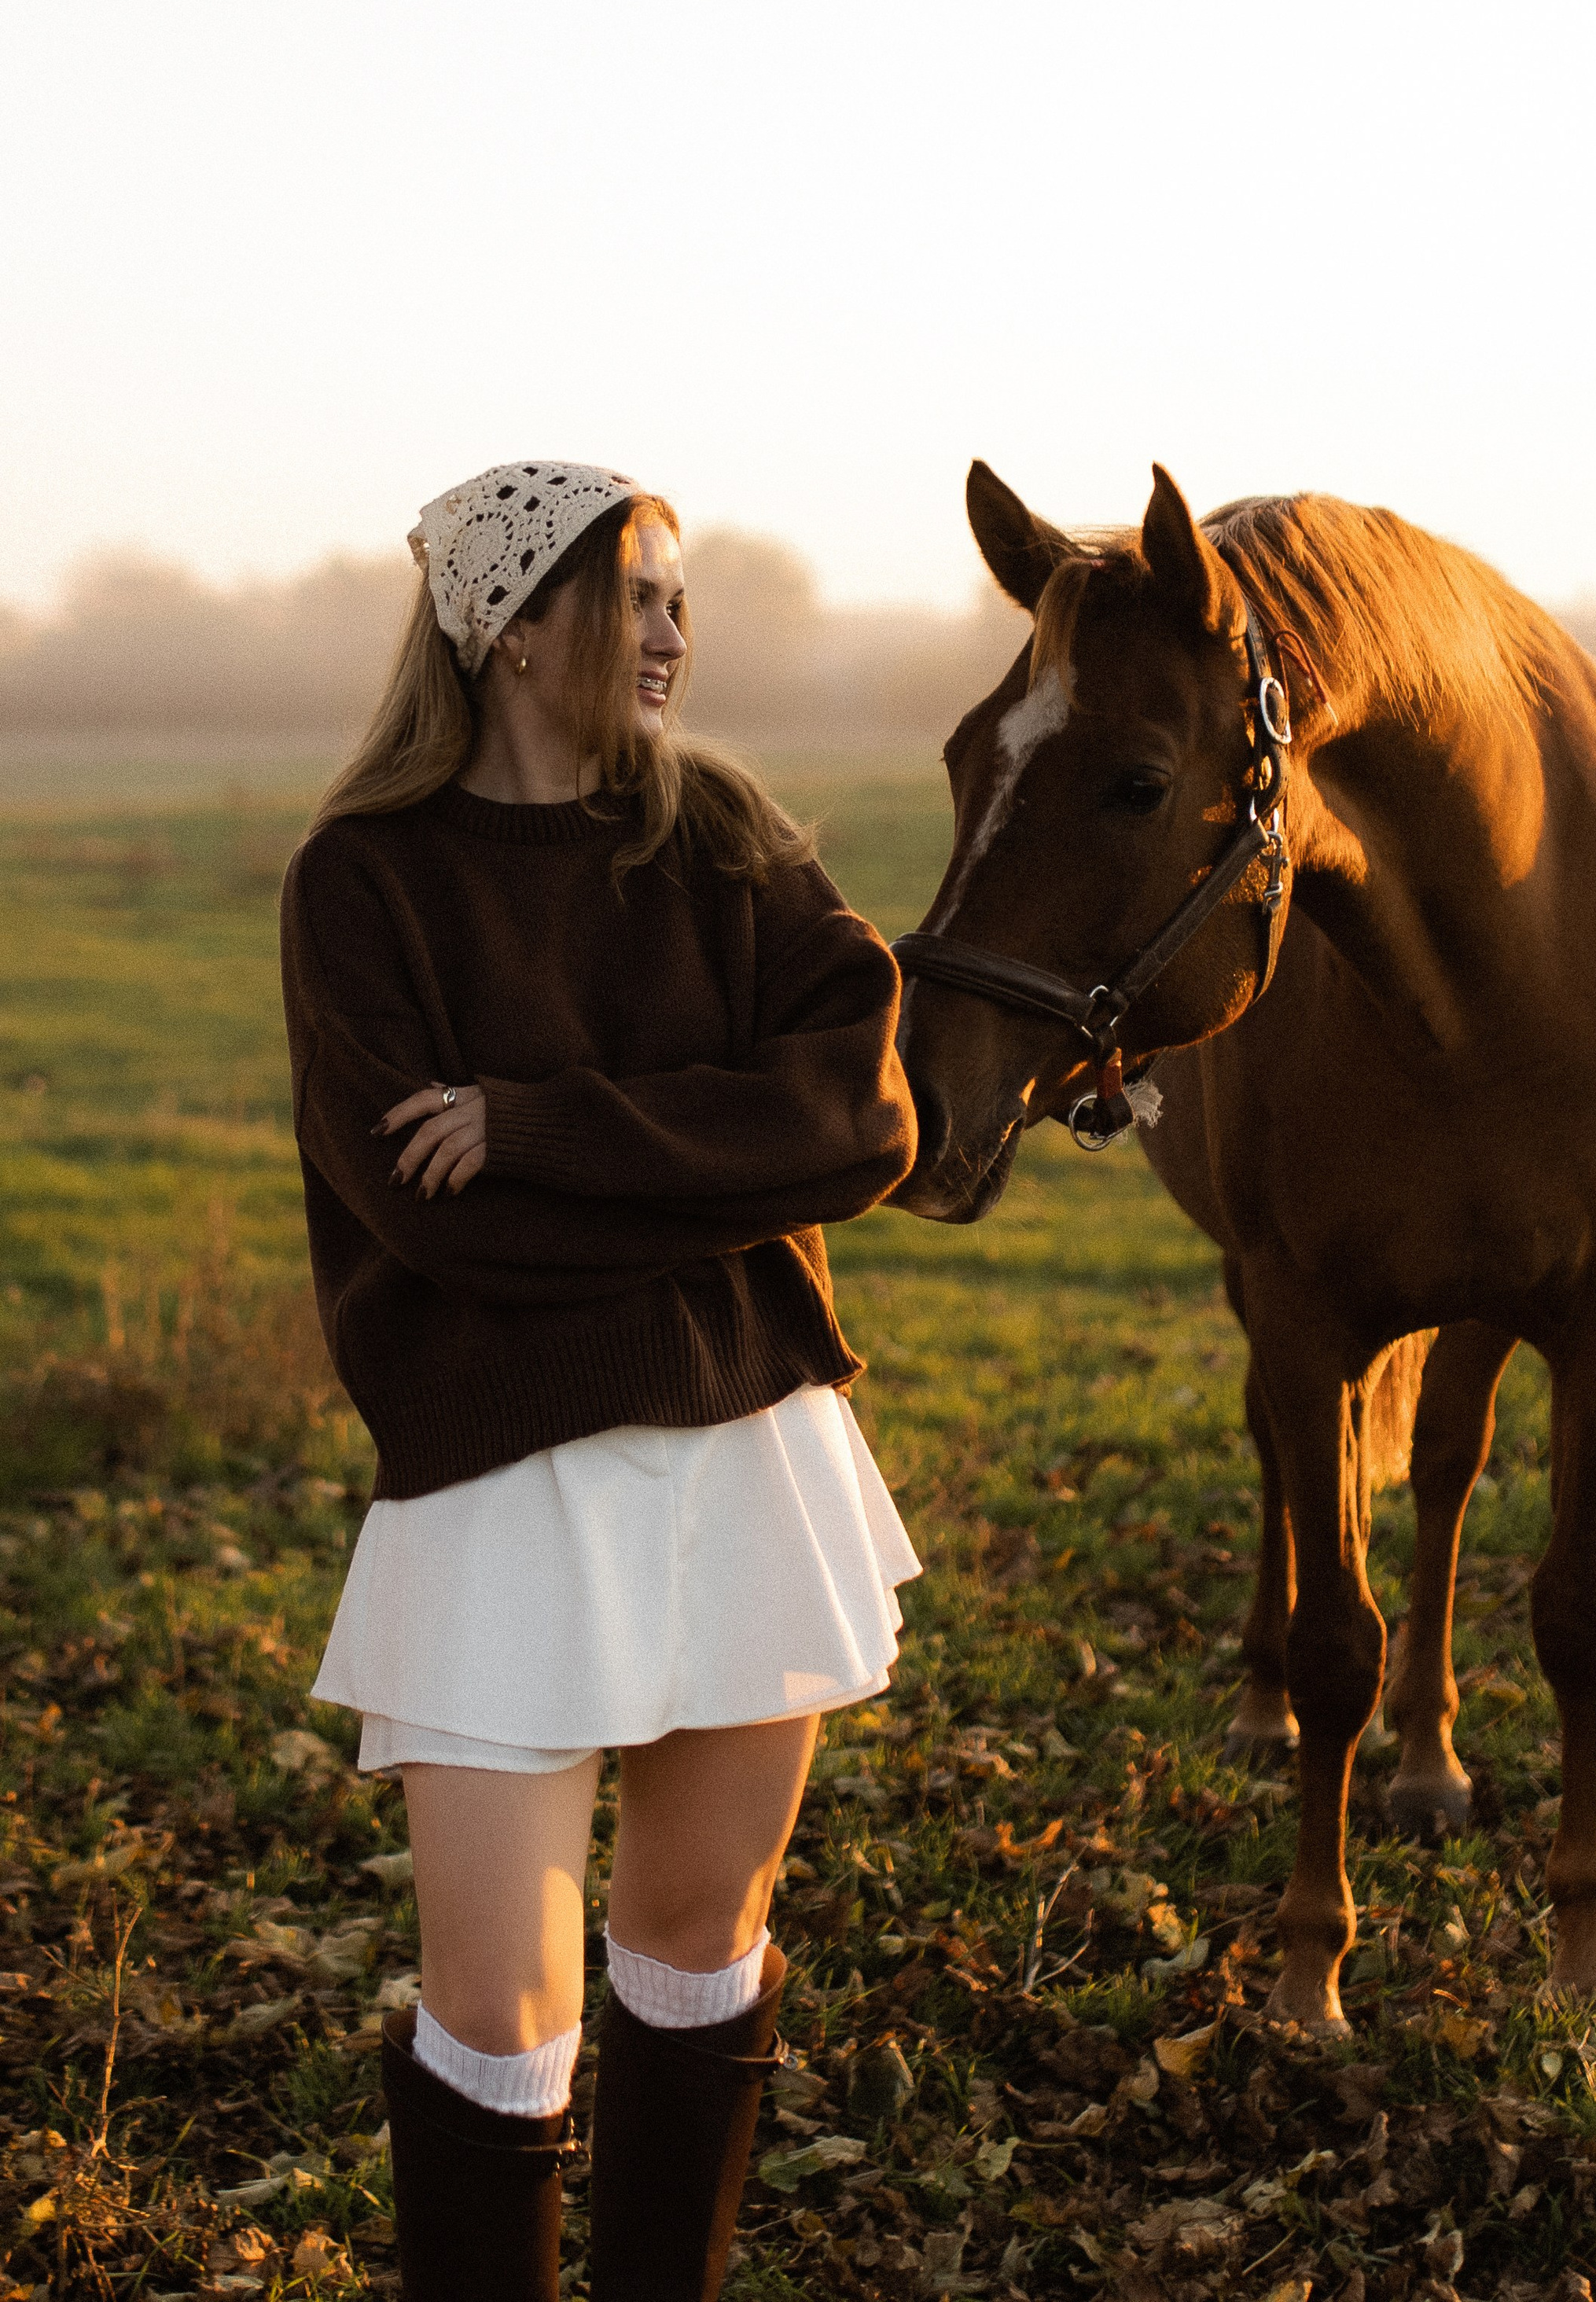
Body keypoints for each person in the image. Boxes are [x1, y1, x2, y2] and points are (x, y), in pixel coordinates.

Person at [278, 462, 920, 2302]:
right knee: (498, 2007)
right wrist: (727, 1186)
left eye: (677, 595)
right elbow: (434, 1230)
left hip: (750, 1461)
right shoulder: (367, 880)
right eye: (634, 593)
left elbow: (865, 1110)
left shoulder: (719, 838)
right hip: (494, 1486)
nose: (670, 631)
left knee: (699, 1937)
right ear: (510, 624)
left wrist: (543, 1130)